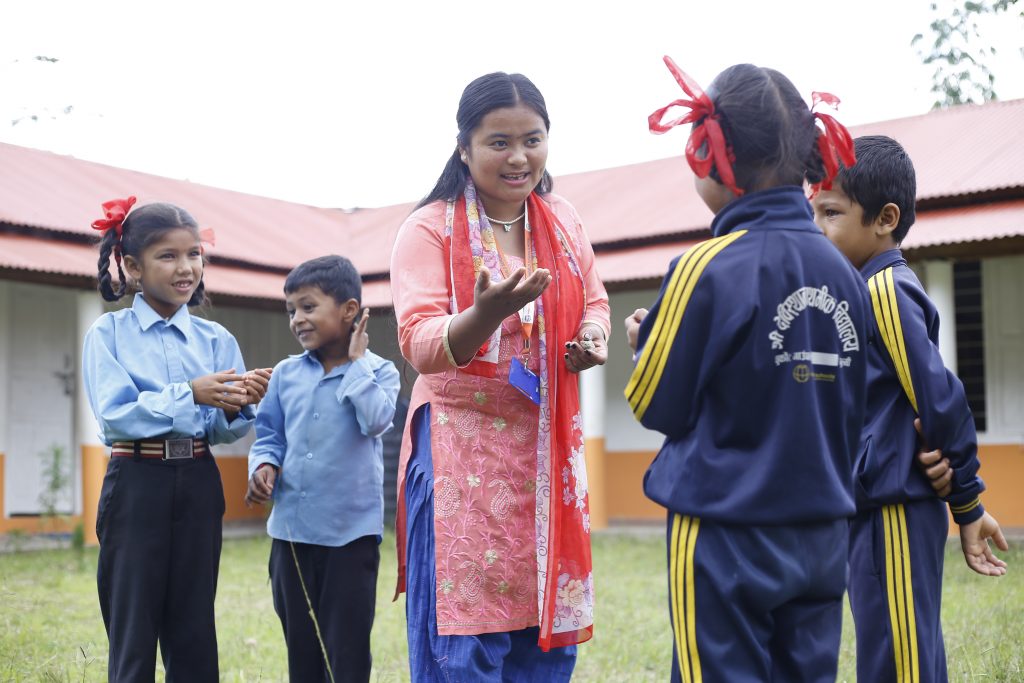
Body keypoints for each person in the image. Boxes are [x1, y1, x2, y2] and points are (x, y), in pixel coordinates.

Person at [624, 59, 870, 681]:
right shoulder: (845, 273)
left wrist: (645, 347)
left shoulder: (704, 267)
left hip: (726, 537)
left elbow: (658, 406)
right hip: (823, 535)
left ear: (715, 155)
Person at [389, 71, 610, 682]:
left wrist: (591, 338)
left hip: (544, 456)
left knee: (542, 644)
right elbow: (418, 341)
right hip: (462, 454)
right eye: (498, 142)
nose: (519, 158)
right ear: (464, 147)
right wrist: (485, 314)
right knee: (464, 644)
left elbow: (595, 301)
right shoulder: (428, 228)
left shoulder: (561, 222)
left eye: (532, 140)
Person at [811, 135, 1008, 682]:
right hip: (873, 501)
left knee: (899, 656)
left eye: (831, 212)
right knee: (897, 644)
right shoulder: (864, 289)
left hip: (892, 505)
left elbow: (939, 399)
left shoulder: (882, 292)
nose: (817, 227)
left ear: (884, 218)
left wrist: (966, 503)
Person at [82, 197, 270, 682]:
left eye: (194, 254)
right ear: (132, 266)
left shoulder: (215, 339)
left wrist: (237, 403)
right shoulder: (110, 334)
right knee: (134, 627)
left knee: (193, 627)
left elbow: (219, 429)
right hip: (135, 484)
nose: (185, 267)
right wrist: (190, 392)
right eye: (168, 256)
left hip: (199, 481)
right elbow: (117, 416)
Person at [246, 255, 400, 683]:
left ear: (349, 311)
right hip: (291, 534)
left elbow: (375, 421)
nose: (297, 319)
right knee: (302, 646)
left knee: (347, 653)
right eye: (291, 310)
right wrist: (263, 466)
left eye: (308, 307)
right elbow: (270, 435)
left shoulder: (379, 373)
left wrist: (354, 366)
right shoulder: (285, 375)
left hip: (350, 539)